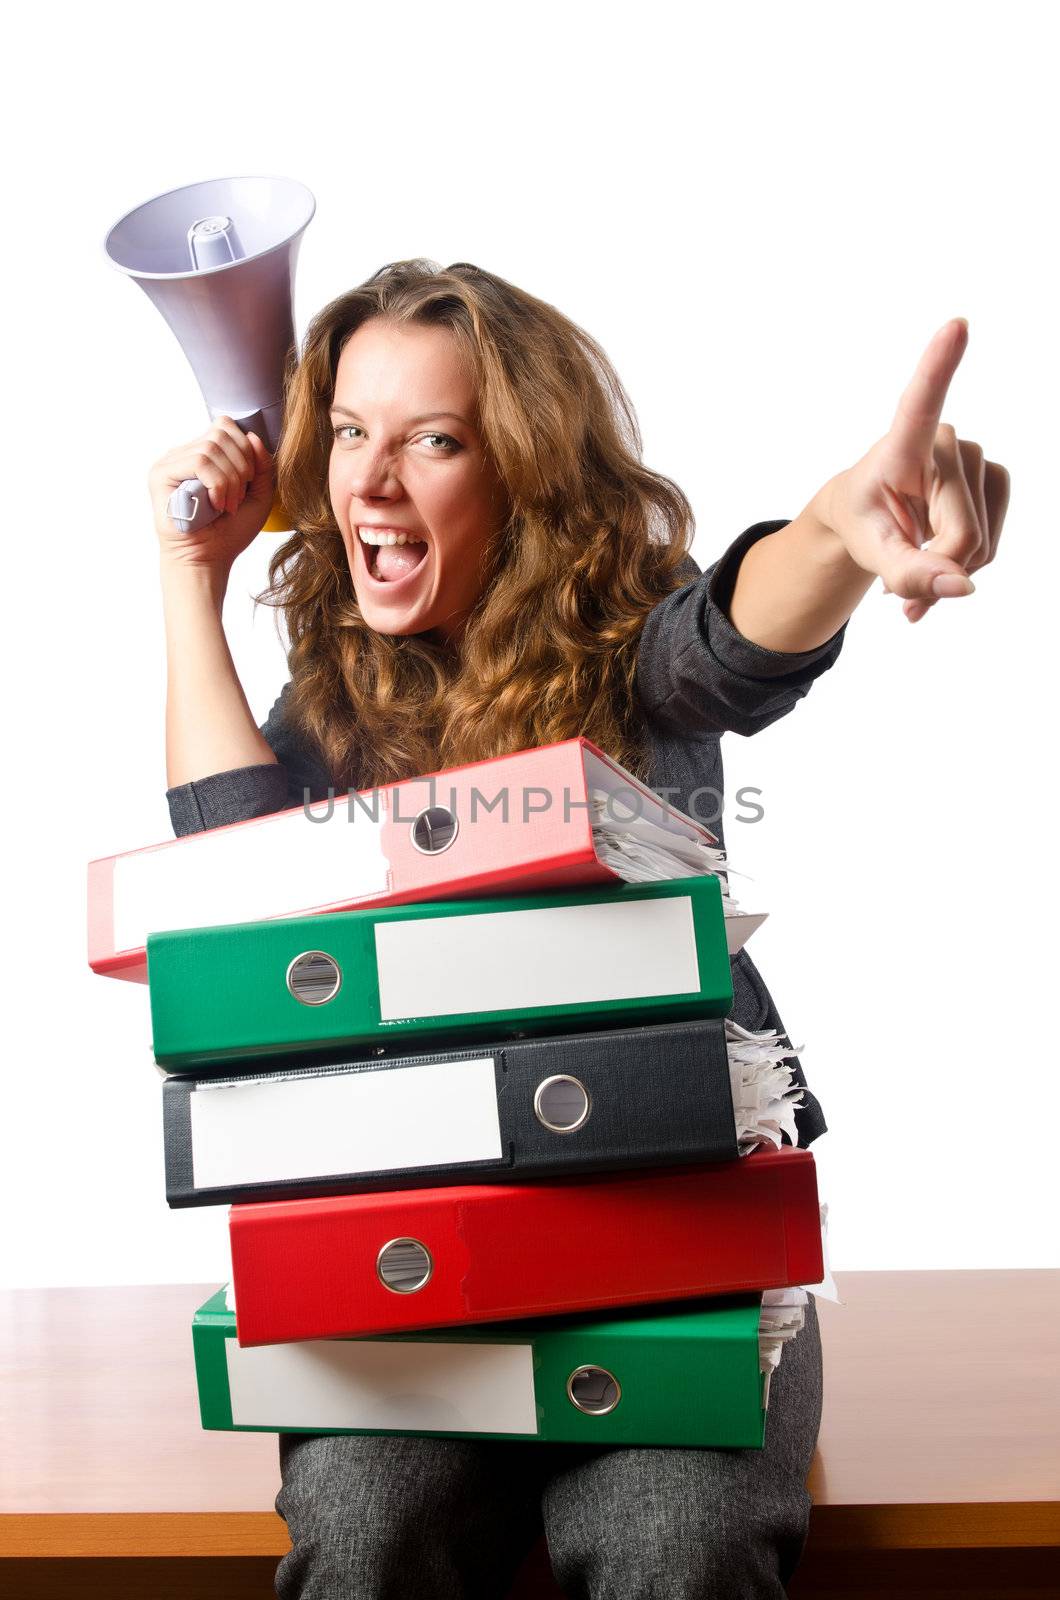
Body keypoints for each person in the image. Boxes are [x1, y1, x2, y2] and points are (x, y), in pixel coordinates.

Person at [151, 262, 1009, 1598]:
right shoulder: (337, 695)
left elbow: (734, 634)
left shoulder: (626, 639)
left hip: (674, 1250)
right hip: (421, 1263)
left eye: (434, 439)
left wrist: (848, 524)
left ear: (522, 475)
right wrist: (188, 576)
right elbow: (230, 886)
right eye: (353, 433)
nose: (373, 478)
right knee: (368, 1527)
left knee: (677, 1540)